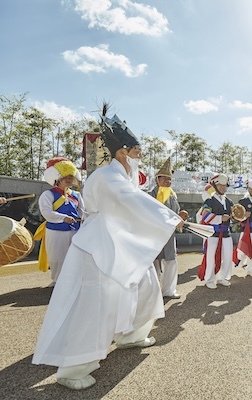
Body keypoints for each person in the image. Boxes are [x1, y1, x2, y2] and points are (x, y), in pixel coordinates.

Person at [32, 107, 183, 390]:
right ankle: (73, 369)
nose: (140, 157)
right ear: (123, 152)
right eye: (137, 152)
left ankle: (131, 335)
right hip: (98, 246)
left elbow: (133, 200)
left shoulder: (123, 176)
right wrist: (169, 218)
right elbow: (130, 200)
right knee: (96, 304)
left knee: (146, 285)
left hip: (119, 243)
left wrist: (169, 218)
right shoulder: (106, 176)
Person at [35, 157, 84, 287]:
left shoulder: (76, 195)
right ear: (57, 177)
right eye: (65, 176)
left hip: (75, 230)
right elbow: (46, 212)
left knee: (75, 256)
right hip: (55, 231)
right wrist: (63, 218)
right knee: (56, 257)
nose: (68, 179)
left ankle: (74, 280)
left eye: (70, 176)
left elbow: (82, 211)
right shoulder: (48, 194)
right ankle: (57, 280)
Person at [149, 157, 188, 299]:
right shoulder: (149, 196)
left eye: (170, 179)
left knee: (171, 261)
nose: (168, 181)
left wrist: (181, 217)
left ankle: (169, 291)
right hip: (154, 235)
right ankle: (152, 292)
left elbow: (176, 214)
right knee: (153, 263)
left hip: (169, 235)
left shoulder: (172, 196)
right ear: (157, 180)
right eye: (165, 178)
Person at [197, 173, 234, 289]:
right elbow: (205, 216)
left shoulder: (229, 201)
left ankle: (222, 277)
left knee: (227, 256)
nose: (223, 187)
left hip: (226, 233)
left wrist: (239, 216)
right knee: (211, 257)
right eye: (220, 185)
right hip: (213, 234)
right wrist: (220, 218)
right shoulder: (209, 201)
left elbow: (234, 217)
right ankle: (209, 279)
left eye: (225, 185)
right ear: (214, 186)